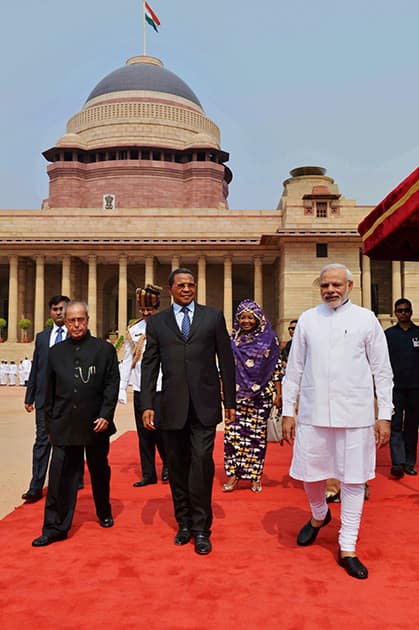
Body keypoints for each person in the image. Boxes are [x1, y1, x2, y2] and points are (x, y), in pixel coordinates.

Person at [282, 263, 393, 579]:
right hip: (314, 413)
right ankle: (319, 516)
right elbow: (295, 370)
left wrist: (384, 415)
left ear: (350, 286)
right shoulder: (307, 320)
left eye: (336, 285)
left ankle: (347, 546)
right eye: (325, 285)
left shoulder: (366, 320)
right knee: (309, 474)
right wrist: (288, 411)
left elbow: (382, 371)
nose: (330, 290)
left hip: (355, 414)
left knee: (354, 479)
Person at [140, 268, 236, 555]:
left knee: (202, 463)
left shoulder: (213, 317)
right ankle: (183, 523)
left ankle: (201, 528)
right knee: (178, 468)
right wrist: (146, 404)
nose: (187, 289)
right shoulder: (157, 323)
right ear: (170, 289)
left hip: (204, 406)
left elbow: (227, 361)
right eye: (181, 285)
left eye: (191, 284)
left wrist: (229, 401)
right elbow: (149, 365)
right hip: (172, 407)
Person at [32, 301, 120, 547]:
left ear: (88, 320)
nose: (76, 324)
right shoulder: (56, 352)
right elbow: (48, 390)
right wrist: (50, 424)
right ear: (65, 322)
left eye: (80, 319)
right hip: (64, 425)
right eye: (71, 320)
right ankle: (54, 527)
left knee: (99, 470)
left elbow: (112, 385)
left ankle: (103, 510)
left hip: (96, 424)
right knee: (60, 477)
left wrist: (106, 414)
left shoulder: (104, 350)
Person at [223, 300, 282, 493]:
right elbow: (225, 368)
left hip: (260, 395)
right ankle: (233, 476)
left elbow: (276, 368)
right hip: (236, 396)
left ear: (258, 319)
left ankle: (255, 477)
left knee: (256, 438)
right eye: (242, 317)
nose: (246, 321)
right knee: (233, 437)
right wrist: (223, 389)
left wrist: (278, 394)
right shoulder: (233, 340)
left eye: (250, 317)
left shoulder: (269, 339)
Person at [22, 295, 70, 503]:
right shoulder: (42, 337)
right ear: (50, 312)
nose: (58, 312)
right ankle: (36, 486)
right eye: (55, 309)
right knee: (42, 441)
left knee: (69, 442)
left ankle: (69, 482)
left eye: (62, 309)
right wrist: (29, 395)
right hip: (44, 399)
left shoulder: (77, 333)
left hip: (69, 398)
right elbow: (36, 368)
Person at [119, 284, 168, 487]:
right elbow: (128, 359)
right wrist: (122, 388)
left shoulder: (167, 327)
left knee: (163, 431)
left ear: (158, 308)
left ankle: (169, 467)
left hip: (161, 387)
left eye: (150, 310)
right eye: (143, 310)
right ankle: (148, 473)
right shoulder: (134, 330)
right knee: (144, 433)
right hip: (140, 387)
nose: (147, 313)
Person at [385, 298, 419, 478]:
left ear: (411, 312)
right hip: (395, 388)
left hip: (416, 387)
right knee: (396, 424)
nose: (403, 313)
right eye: (400, 310)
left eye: (406, 310)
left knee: (412, 426)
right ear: (395, 313)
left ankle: (409, 462)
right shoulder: (388, 335)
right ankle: (397, 463)